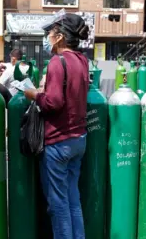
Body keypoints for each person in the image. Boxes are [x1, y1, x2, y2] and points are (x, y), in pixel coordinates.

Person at [24, 13, 89, 239]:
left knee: (58, 205)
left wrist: (33, 94)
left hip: (58, 144)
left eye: (50, 33)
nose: (48, 37)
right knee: (73, 200)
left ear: (60, 37)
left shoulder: (57, 62)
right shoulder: (82, 61)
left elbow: (53, 102)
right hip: (78, 139)